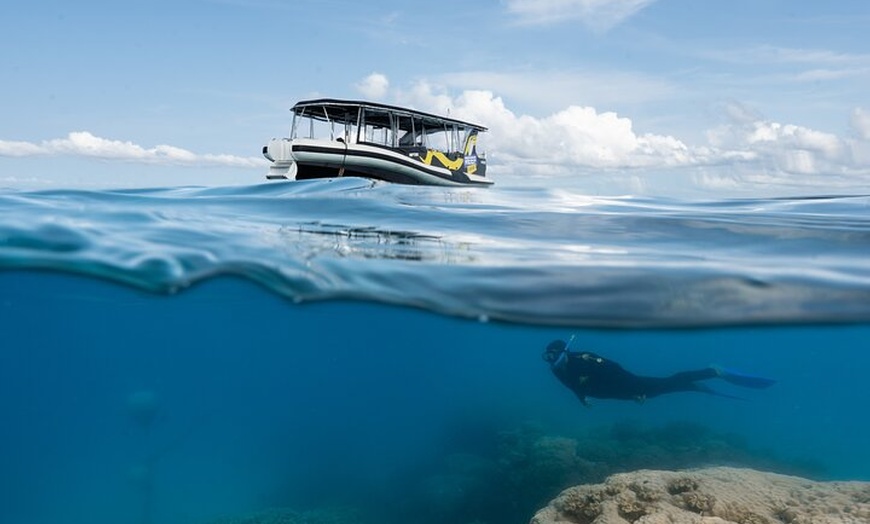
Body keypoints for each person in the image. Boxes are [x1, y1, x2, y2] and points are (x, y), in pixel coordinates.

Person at [542, 339, 776, 407]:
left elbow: (613, 368)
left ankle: (713, 371)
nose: (552, 361)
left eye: (554, 355)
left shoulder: (583, 359)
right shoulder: (558, 372)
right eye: (549, 357)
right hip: (616, 393)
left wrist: (632, 388)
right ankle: (692, 385)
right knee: (660, 390)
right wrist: (582, 399)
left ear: (564, 351)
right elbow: (571, 386)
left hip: (625, 384)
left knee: (664, 384)